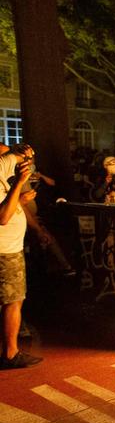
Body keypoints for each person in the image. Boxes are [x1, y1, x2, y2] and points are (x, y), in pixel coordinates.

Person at [0, 144, 46, 369]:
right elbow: (2, 217)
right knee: (12, 300)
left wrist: (23, 152)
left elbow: (15, 154)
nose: (9, 155)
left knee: (11, 300)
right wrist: (18, 184)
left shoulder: (2, 165)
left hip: (10, 248)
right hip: (4, 251)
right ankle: (10, 353)